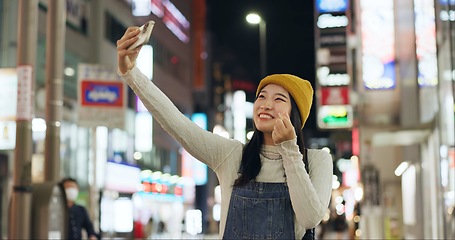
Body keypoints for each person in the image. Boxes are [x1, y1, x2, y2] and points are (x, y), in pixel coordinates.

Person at [116, 26, 333, 239]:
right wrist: (132, 73)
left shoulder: (316, 160)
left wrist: (289, 150)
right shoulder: (231, 155)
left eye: (278, 99)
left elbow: (309, 218)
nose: (266, 105)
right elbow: (177, 123)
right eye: (261, 96)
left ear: (295, 115)